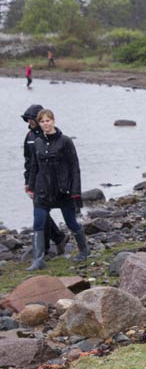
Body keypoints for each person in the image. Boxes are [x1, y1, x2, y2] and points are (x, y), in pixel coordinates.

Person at [26, 109, 89, 270]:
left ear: (53, 121)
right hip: (42, 191)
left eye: (48, 121)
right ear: (39, 124)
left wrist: (75, 192)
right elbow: (34, 167)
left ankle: (84, 250)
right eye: (42, 122)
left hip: (63, 190)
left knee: (71, 223)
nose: (45, 124)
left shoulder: (65, 141)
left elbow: (75, 167)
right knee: (38, 223)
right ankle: (38, 259)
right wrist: (30, 186)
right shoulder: (37, 143)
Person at [22, 104, 69, 259]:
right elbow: (28, 161)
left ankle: (50, 245)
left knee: (42, 212)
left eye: (31, 120)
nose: (29, 123)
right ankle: (56, 240)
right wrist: (28, 182)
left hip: (52, 181)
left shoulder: (50, 136)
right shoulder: (29, 137)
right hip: (35, 180)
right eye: (27, 120)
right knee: (41, 213)